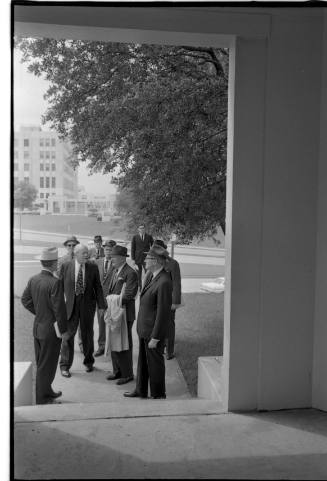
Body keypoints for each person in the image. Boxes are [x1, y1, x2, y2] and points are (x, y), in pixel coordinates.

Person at [21, 247, 69, 404]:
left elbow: (25, 300)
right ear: (53, 264)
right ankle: (43, 398)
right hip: (51, 331)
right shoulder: (55, 282)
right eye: (57, 262)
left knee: (42, 362)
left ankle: (47, 391)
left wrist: (41, 313)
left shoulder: (33, 279)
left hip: (38, 328)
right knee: (46, 365)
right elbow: (60, 310)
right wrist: (64, 331)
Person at [124, 245, 172, 399]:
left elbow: (163, 313)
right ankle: (141, 390)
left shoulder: (164, 281)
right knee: (143, 362)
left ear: (156, 261)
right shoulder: (153, 276)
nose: (144, 260)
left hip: (153, 332)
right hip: (145, 329)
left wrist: (156, 337)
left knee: (155, 364)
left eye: (148, 258)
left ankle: (158, 394)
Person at [58, 244, 106, 377]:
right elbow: (59, 287)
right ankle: (65, 366)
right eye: (84, 253)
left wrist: (102, 305)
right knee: (67, 337)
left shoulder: (92, 267)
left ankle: (89, 362)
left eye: (87, 253)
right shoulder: (66, 266)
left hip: (87, 307)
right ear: (76, 253)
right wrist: (58, 306)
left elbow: (98, 287)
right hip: (70, 307)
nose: (87, 255)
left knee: (87, 336)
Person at [106, 245, 138, 385]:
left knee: (124, 344)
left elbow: (130, 295)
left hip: (124, 314)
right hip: (115, 312)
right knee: (114, 341)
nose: (111, 258)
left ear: (121, 258)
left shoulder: (130, 273)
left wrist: (111, 298)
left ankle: (127, 374)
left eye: (113, 256)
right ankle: (117, 370)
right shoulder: (115, 270)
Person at [153, 239, 182, 360]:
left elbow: (176, 283)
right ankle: (159, 346)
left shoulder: (173, 263)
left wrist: (175, 301)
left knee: (169, 325)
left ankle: (169, 351)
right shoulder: (154, 262)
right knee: (157, 323)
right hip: (156, 299)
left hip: (169, 300)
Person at [94, 239, 117, 357]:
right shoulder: (97, 262)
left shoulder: (116, 264)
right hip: (100, 299)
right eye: (107, 249)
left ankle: (113, 347)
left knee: (113, 323)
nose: (108, 252)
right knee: (101, 323)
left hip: (113, 299)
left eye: (111, 250)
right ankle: (101, 346)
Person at [131, 224, 153, 289]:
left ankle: (147, 287)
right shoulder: (135, 237)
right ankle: (139, 289)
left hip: (146, 259)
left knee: (148, 274)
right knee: (138, 276)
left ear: (145, 229)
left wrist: (151, 256)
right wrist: (133, 259)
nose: (142, 229)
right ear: (138, 229)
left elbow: (153, 246)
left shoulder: (149, 237)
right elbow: (133, 248)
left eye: (143, 228)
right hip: (137, 259)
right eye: (140, 228)